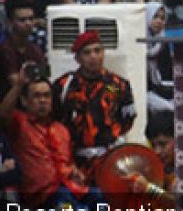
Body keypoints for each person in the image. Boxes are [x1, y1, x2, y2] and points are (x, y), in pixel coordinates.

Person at [0, 72, 100, 211]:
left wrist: (75, 171)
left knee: (102, 197)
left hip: (69, 188)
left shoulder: (61, 129)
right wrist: (18, 86)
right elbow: (3, 115)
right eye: (37, 96)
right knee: (75, 210)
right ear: (25, 101)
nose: (43, 101)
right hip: (40, 197)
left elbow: (68, 162)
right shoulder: (19, 123)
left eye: (47, 96)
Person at [53, 30, 136, 173]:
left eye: (97, 51)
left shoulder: (117, 85)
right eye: (87, 52)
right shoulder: (64, 85)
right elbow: (54, 120)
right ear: (77, 58)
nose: (93, 56)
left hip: (109, 160)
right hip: (73, 162)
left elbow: (127, 119)